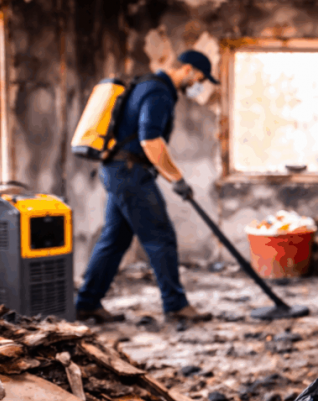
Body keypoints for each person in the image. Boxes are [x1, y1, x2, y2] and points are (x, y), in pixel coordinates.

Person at [75, 50, 219, 324]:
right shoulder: (159, 92)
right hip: (130, 173)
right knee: (160, 237)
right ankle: (176, 306)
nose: (199, 83)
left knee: (114, 240)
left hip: (118, 170)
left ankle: (86, 303)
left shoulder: (146, 84)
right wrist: (177, 178)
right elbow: (150, 141)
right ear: (188, 69)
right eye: (200, 77)